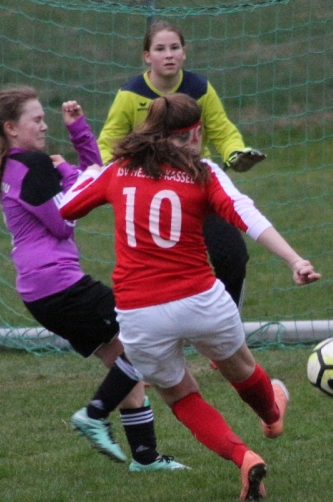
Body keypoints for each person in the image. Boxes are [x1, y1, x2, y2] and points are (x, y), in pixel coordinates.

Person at [57, 93, 321, 501]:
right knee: (241, 368)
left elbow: (67, 209)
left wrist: (90, 174)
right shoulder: (203, 172)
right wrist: (294, 260)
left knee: (180, 395)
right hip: (201, 300)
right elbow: (245, 214)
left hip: (140, 311)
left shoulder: (120, 168)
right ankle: (271, 416)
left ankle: (243, 457)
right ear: (196, 133)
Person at [0, 86, 186, 472]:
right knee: (146, 340)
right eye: (36, 119)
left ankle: (146, 458)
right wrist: (67, 172)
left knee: (123, 362)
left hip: (44, 290)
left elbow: (91, 180)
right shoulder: (31, 166)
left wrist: (79, 132)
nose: (44, 125)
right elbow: (64, 221)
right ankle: (94, 413)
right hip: (59, 286)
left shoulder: (17, 165)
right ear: (11, 128)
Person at [97, 20, 266, 310]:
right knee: (159, 269)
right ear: (147, 56)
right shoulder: (130, 95)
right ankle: (162, 322)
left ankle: (227, 324)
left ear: (184, 53)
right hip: (151, 192)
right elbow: (109, 142)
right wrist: (117, 174)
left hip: (197, 185)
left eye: (174, 48)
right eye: (160, 49)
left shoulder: (200, 88)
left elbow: (222, 130)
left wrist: (235, 154)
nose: (168, 55)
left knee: (232, 257)